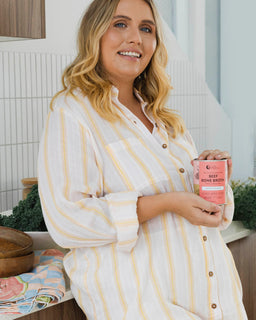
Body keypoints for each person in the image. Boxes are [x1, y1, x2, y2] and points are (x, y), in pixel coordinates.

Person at [38, 0, 247, 319]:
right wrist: (165, 202)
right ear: (94, 33)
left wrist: (212, 179)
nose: (135, 38)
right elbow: (67, 221)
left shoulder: (165, 119)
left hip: (213, 300)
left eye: (146, 29)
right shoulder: (73, 112)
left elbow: (212, 217)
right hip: (144, 305)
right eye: (120, 24)